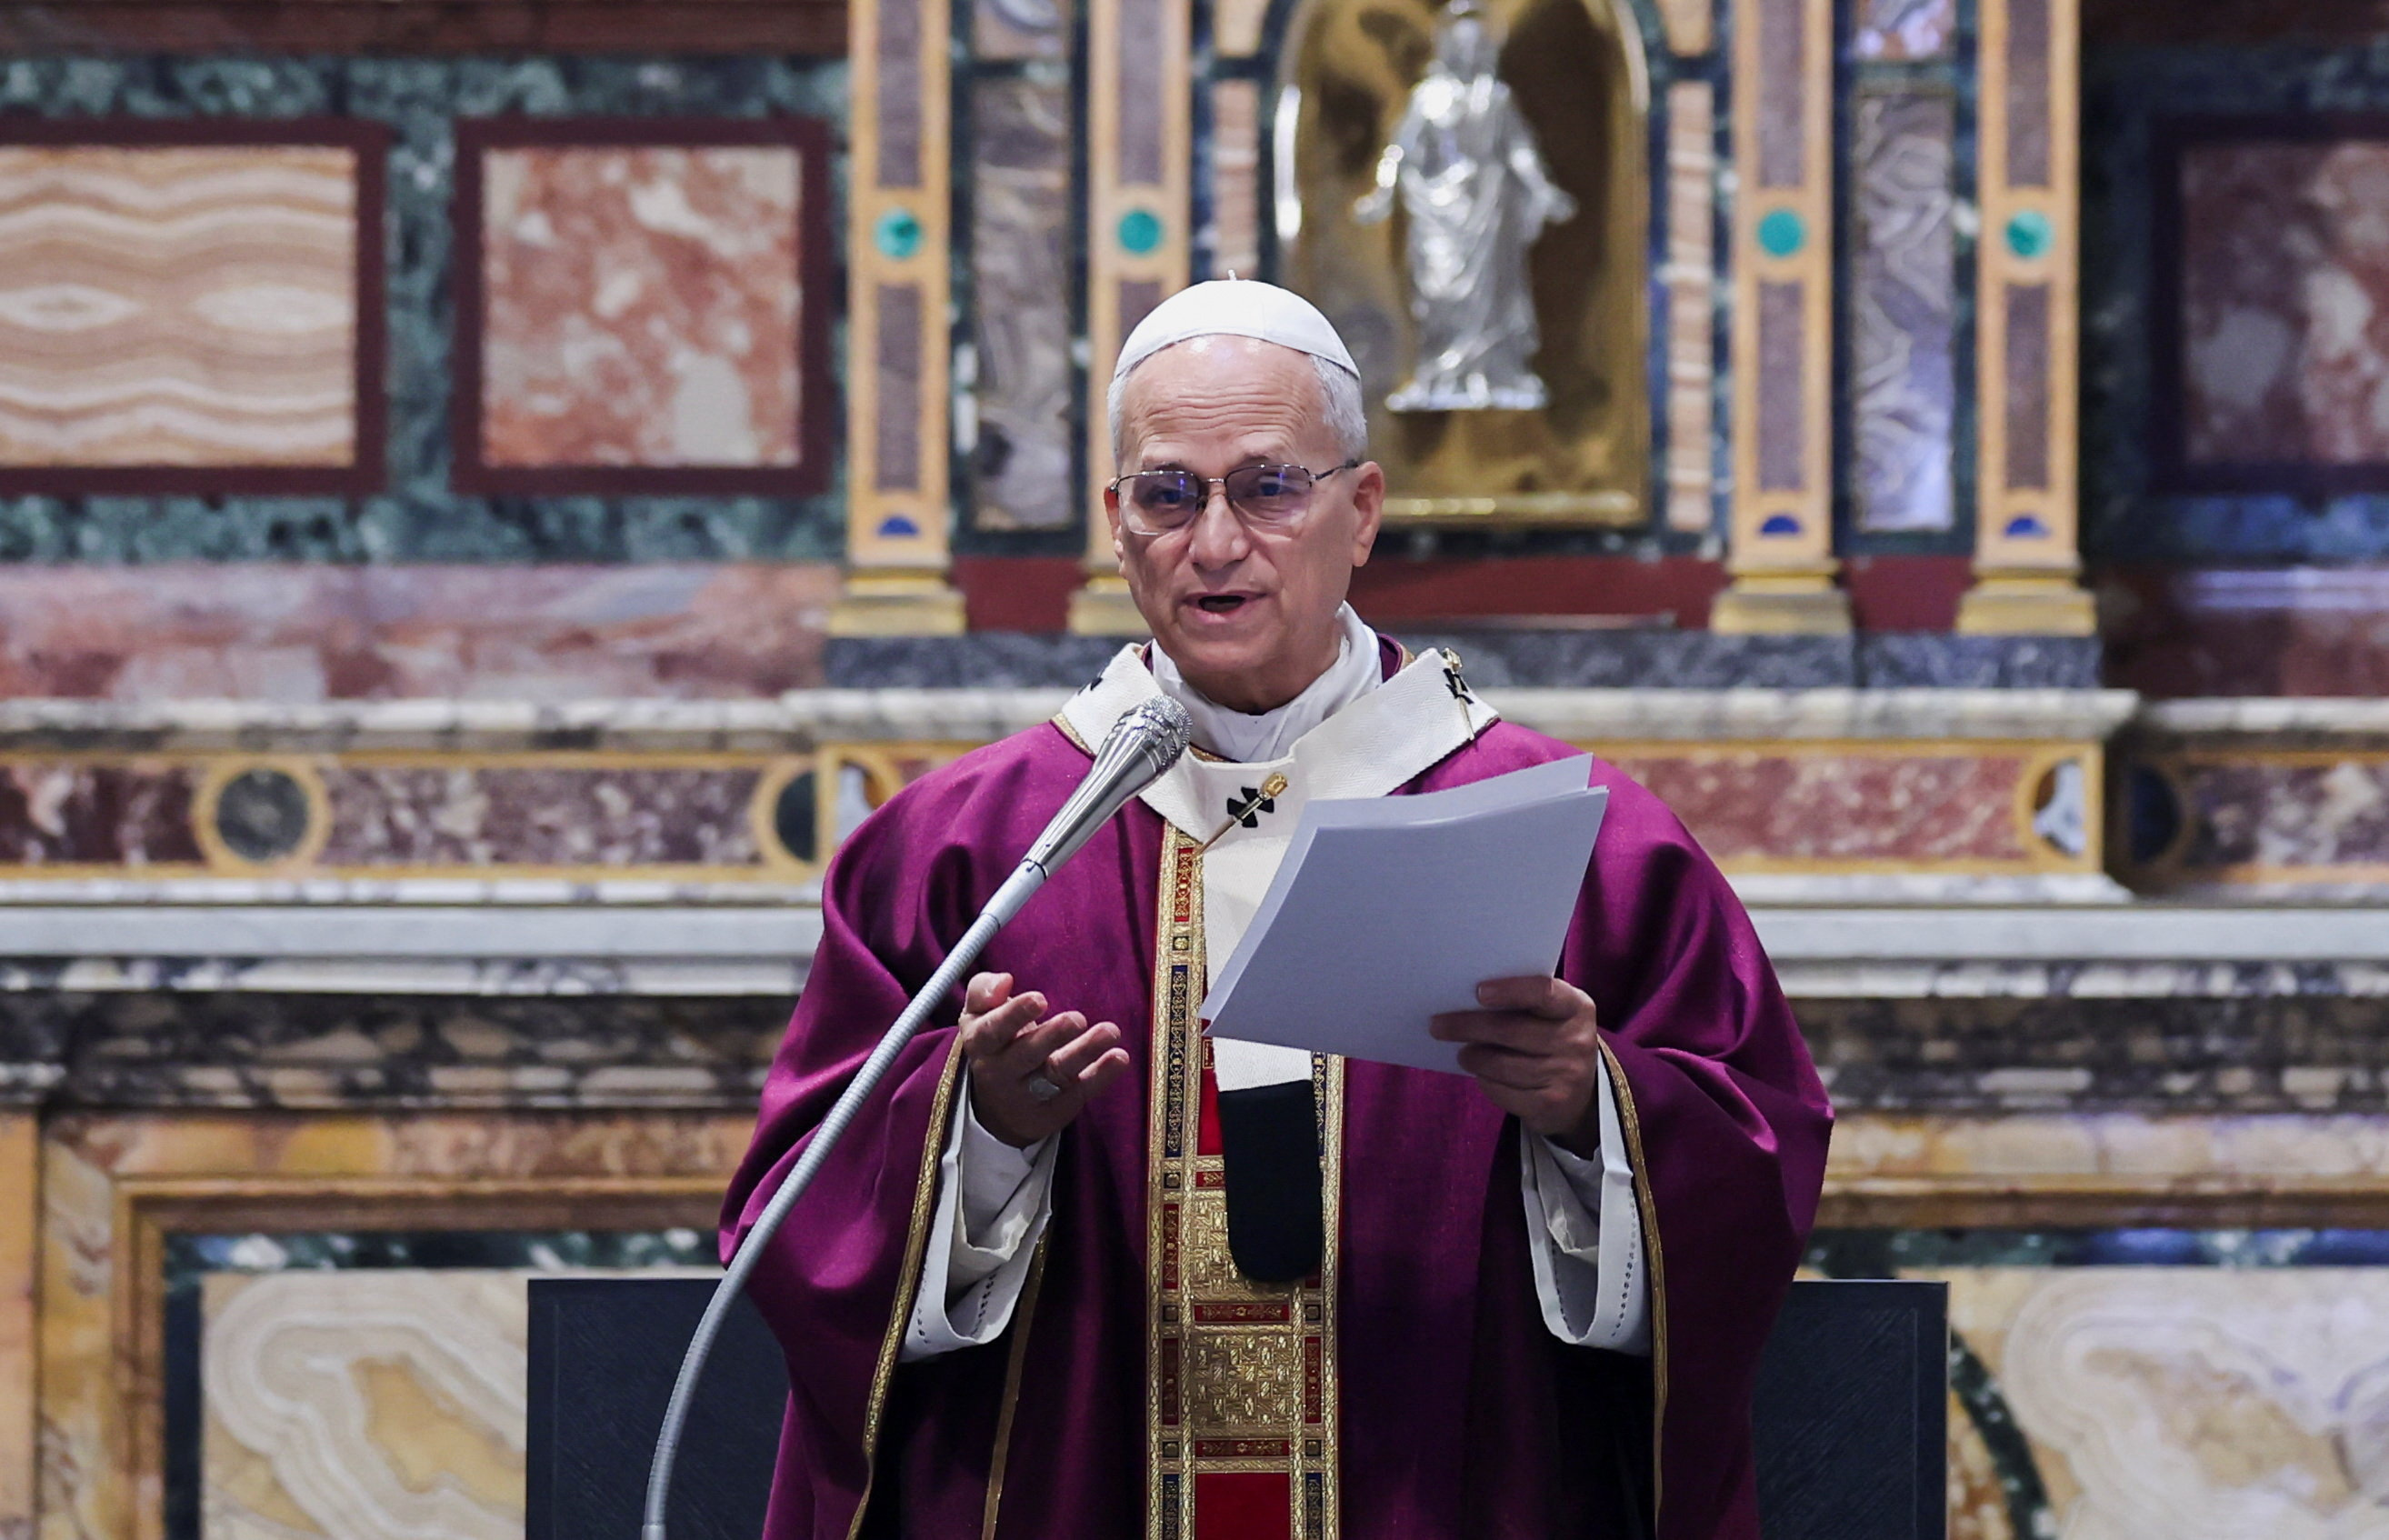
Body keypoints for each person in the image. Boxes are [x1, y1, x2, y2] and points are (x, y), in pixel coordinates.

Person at [723, 279, 1831, 1540]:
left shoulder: (1587, 844)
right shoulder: (963, 852)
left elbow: (1754, 1178)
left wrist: (1592, 1111)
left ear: (1362, 512)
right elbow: (797, 1226)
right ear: (1115, 523)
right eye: (1168, 493)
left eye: (1268, 487)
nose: (1214, 543)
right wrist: (978, 1135)